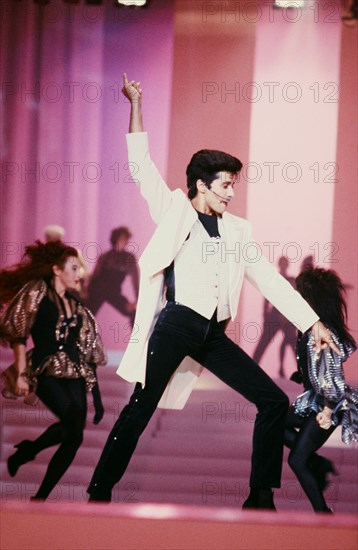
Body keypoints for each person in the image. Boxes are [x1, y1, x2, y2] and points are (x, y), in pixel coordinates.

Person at [87, 73, 339, 509]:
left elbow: (268, 278)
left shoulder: (239, 230)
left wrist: (312, 322)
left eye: (233, 186)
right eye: (225, 185)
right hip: (175, 327)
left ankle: (259, 497)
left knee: (272, 400)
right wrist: (136, 105)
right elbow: (139, 167)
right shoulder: (175, 210)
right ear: (202, 185)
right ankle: (99, 492)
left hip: (212, 335)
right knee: (139, 411)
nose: (230, 193)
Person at [0, 240, 106, 501]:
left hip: (75, 373)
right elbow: (19, 333)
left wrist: (97, 396)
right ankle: (28, 452)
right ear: (57, 270)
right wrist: (23, 373)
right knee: (71, 419)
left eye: (79, 268)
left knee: (75, 436)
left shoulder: (76, 304)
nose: (79, 273)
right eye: (73, 267)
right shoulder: (37, 291)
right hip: (45, 369)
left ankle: (40, 494)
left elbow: (88, 348)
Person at [285, 267, 357, 513]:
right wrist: (303, 375)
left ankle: (322, 513)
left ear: (311, 299)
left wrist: (326, 411)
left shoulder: (321, 332)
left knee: (296, 460)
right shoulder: (311, 327)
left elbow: (331, 375)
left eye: (300, 295)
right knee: (272, 419)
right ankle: (318, 464)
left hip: (329, 404)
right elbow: (318, 368)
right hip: (317, 399)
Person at [85, 226, 139, 327]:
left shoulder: (129, 258)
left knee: (133, 313)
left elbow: (135, 279)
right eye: (123, 238)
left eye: (126, 238)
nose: (125, 241)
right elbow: (95, 276)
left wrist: (138, 299)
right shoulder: (105, 256)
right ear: (116, 238)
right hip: (97, 291)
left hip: (114, 293)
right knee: (87, 317)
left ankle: (137, 341)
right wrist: (86, 292)